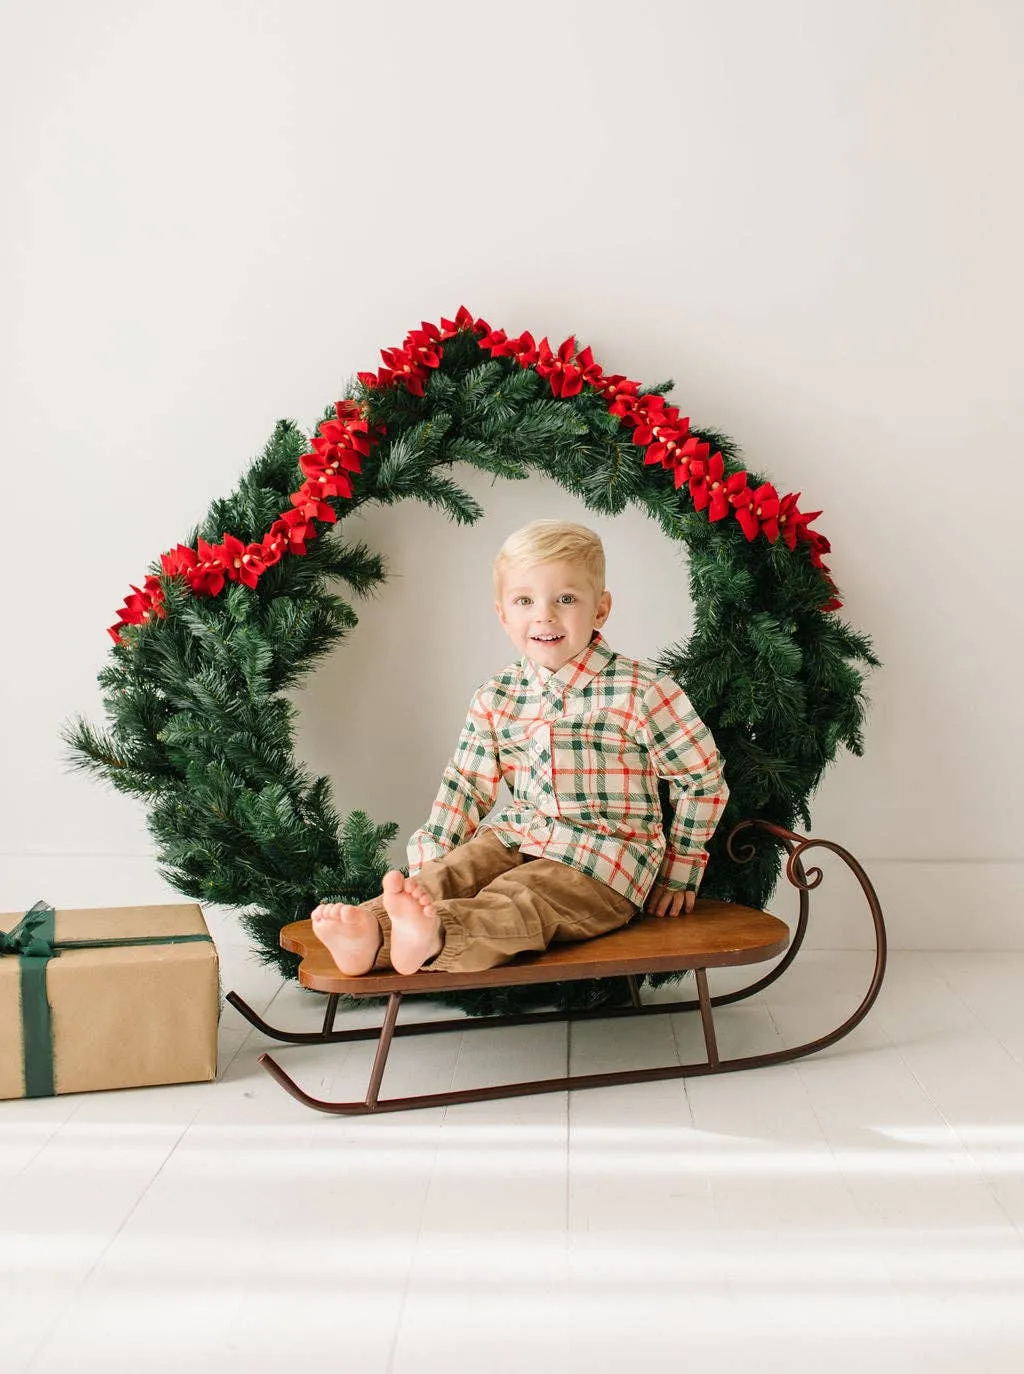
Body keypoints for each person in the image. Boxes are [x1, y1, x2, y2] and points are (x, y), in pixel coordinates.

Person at [311, 520, 729, 977]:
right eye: (525, 601)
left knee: (522, 900)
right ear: (503, 614)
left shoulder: (642, 692)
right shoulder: (498, 696)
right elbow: (467, 785)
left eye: (566, 599)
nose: (545, 616)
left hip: (603, 860)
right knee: (454, 872)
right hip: (519, 837)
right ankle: (371, 932)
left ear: (601, 609)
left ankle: (437, 937)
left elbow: (701, 780)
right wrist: (433, 855)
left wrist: (681, 867)